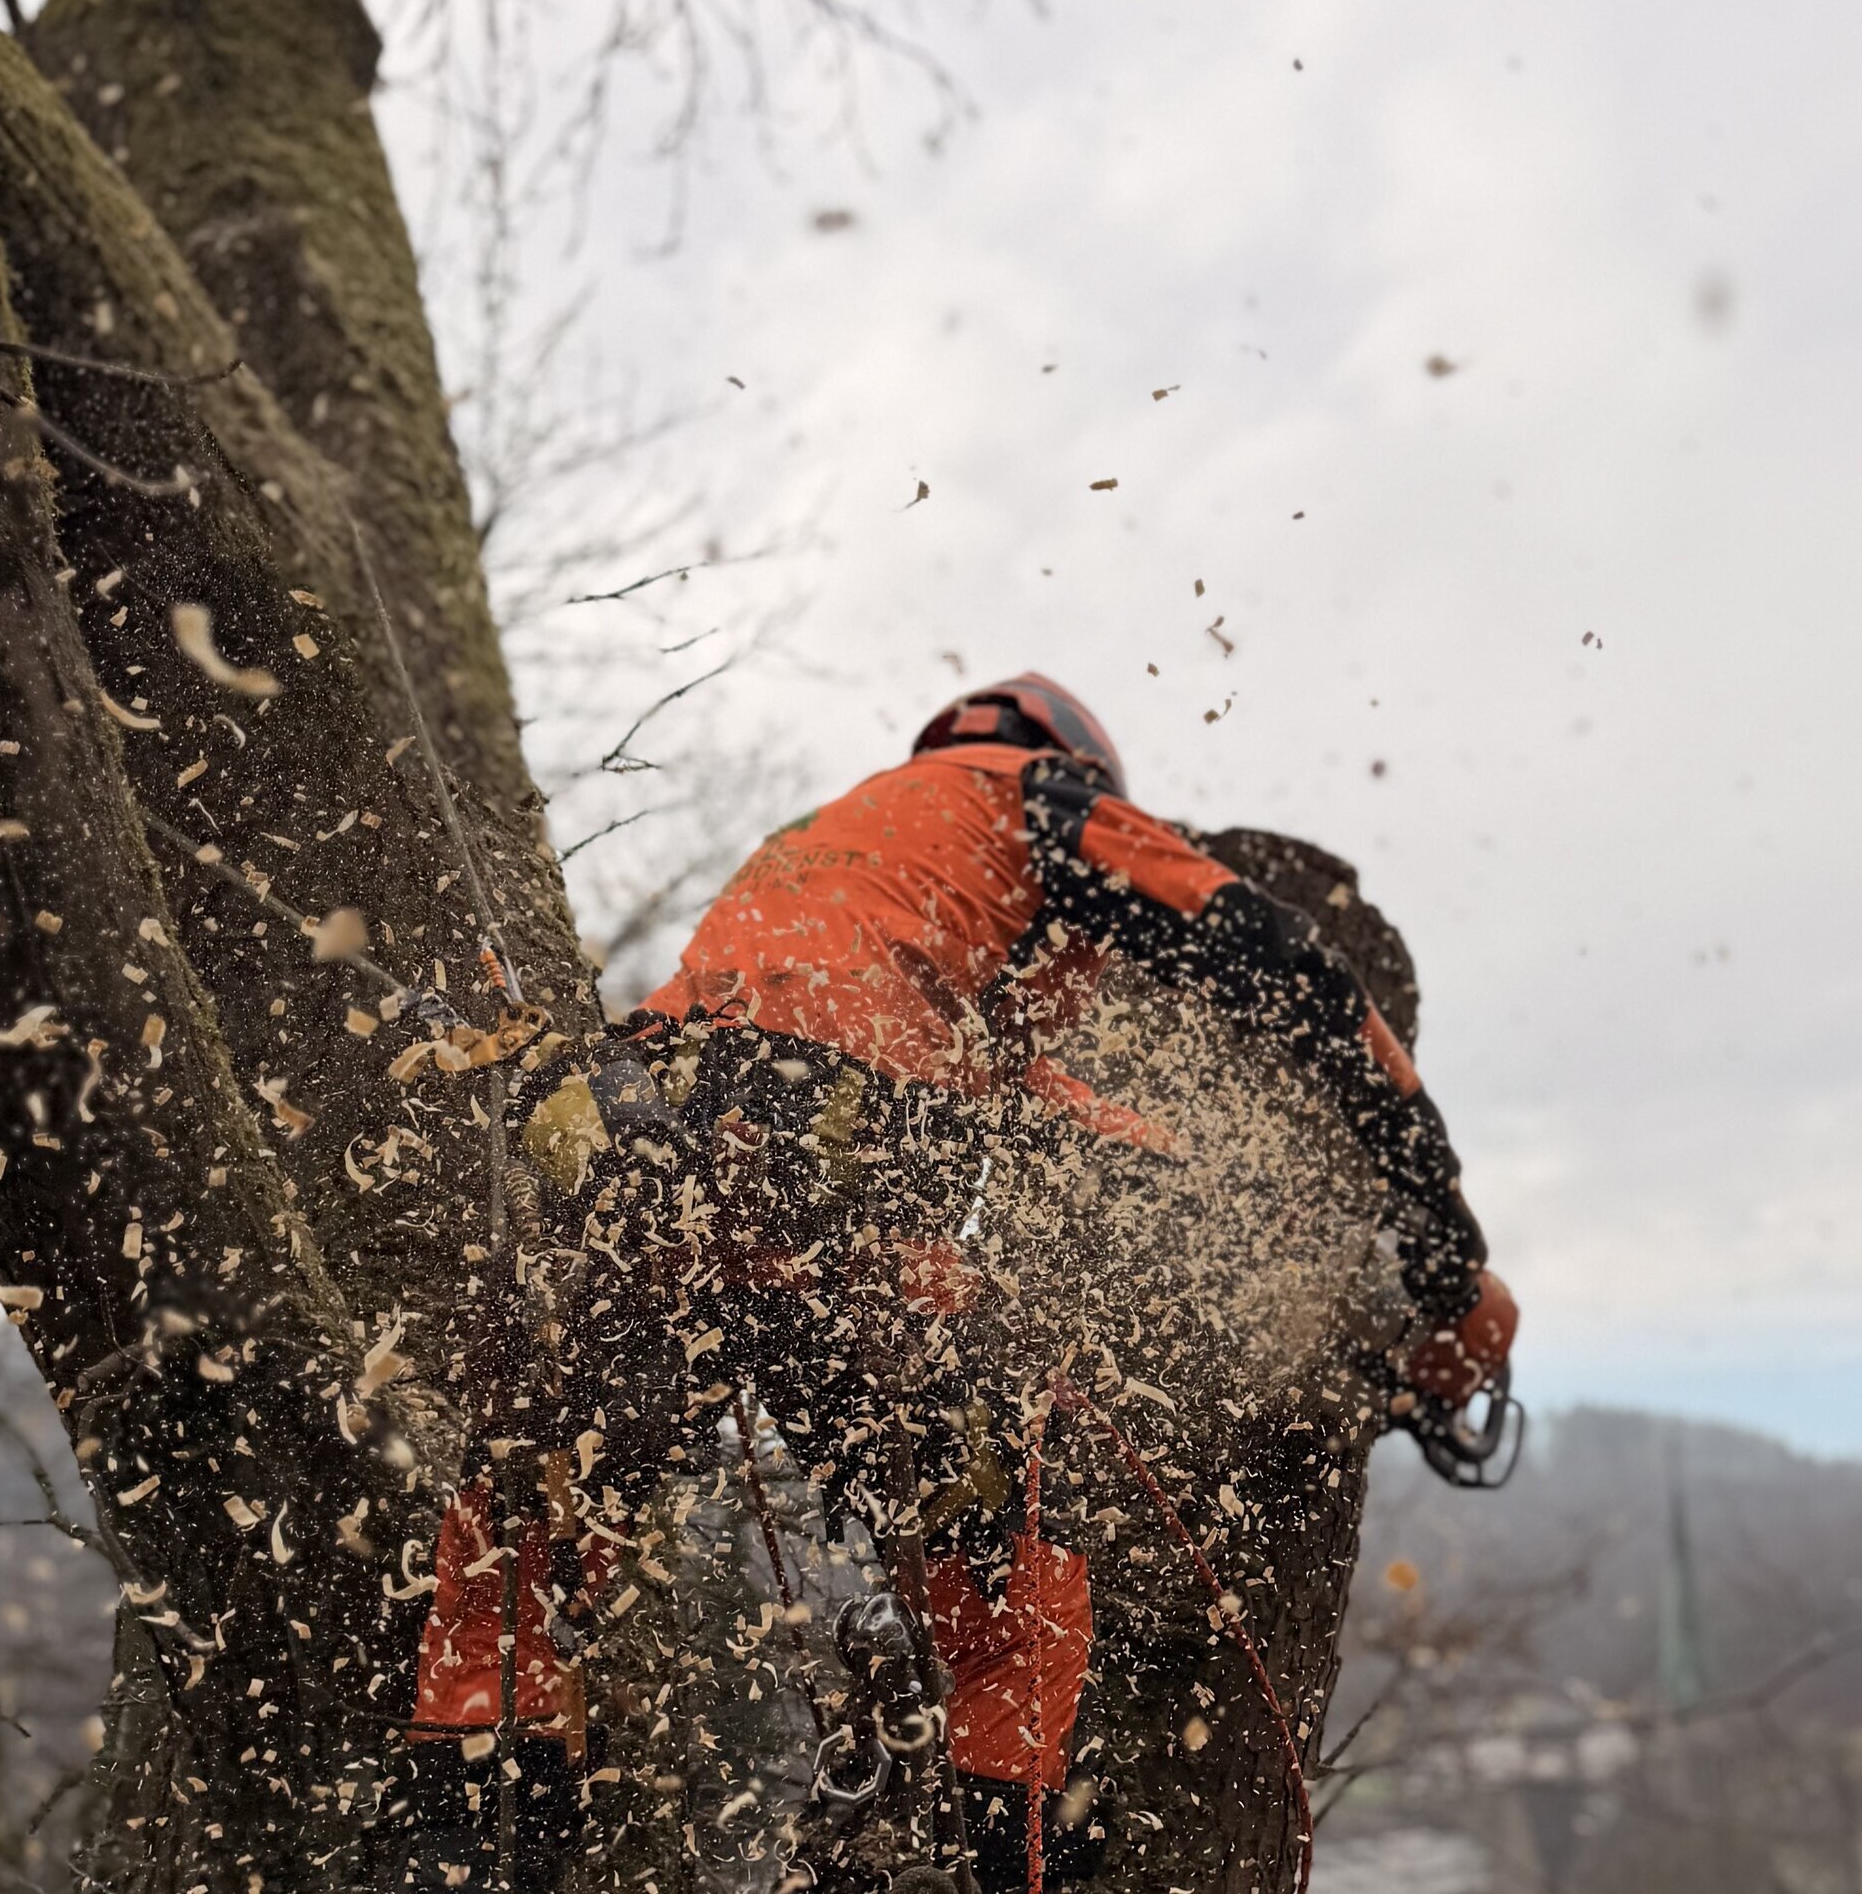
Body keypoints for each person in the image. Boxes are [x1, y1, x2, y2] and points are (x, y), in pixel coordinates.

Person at [403, 672, 1517, 1891]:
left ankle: (474, 1845)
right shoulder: (1037, 801)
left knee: (521, 1536)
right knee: (1012, 1583)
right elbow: (1294, 970)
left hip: (637, 1156)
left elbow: (954, 1055)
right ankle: (1008, 1854)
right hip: (822, 1174)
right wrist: (1445, 1252)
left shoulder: (844, 840)